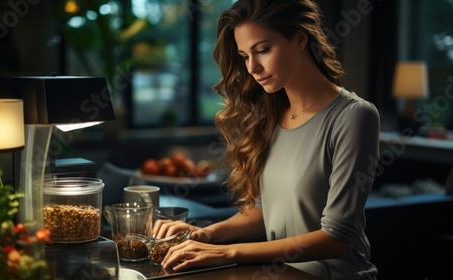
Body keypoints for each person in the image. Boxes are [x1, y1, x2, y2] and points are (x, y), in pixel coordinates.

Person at [152, 0, 380, 279]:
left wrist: (228, 252)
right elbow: (261, 212)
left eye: (262, 50)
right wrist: (205, 234)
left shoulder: (354, 116)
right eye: (245, 56)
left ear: (299, 39)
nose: (252, 68)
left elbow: (335, 239)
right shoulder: (270, 116)